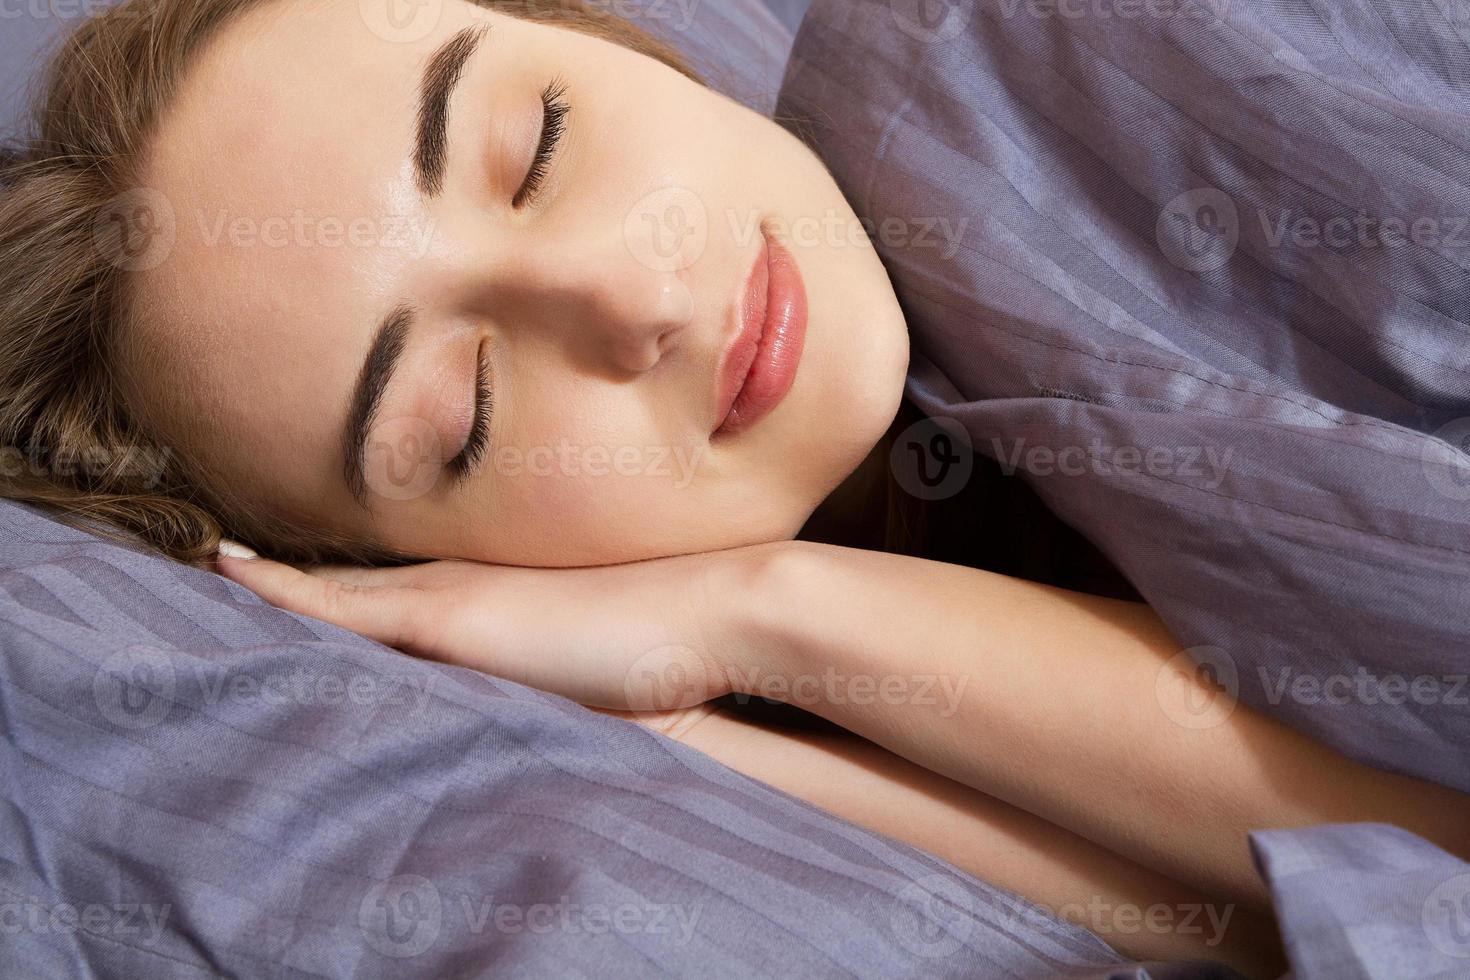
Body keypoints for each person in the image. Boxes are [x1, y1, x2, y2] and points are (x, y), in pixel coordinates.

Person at [3, 0, 1468, 974]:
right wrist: (753, 635)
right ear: (430, 573)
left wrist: (760, 608)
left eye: (542, 145)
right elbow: (1346, 903)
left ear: (599, 34)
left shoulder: (1118, 55)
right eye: (467, 415)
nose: (629, 291)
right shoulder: (759, 690)